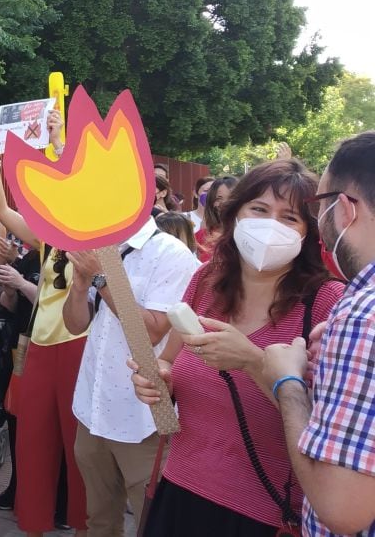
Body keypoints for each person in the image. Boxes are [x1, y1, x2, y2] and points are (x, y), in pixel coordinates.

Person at [131, 159, 344, 535]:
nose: (270, 226)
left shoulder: (328, 303)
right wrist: (158, 381)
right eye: (259, 210)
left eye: (290, 217)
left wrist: (252, 361)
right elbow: (169, 364)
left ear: (310, 232)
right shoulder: (206, 280)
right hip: (180, 489)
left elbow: (329, 429)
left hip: (266, 514)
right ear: (234, 215)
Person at [258, 131, 375, 536]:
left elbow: (341, 510)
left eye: (315, 207)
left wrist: (287, 381)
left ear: (344, 208)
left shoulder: (360, 315)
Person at [61, 210, 199, 536]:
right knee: (98, 520)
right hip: (92, 410)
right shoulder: (99, 249)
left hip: (143, 420)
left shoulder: (170, 253)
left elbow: (151, 332)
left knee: (151, 524)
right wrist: (80, 287)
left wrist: (101, 279)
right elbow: (75, 324)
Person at [0, 118, 89, 537]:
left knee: (78, 447)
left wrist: (61, 142)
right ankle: (34, 524)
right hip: (39, 346)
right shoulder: (48, 233)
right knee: (32, 443)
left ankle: (84, 524)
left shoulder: (96, 235)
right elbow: (2, 210)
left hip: (77, 345)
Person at [195, 176, 238, 262]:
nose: (225, 203)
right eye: (218, 198)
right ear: (212, 201)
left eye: (230, 197)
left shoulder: (249, 235)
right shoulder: (201, 236)